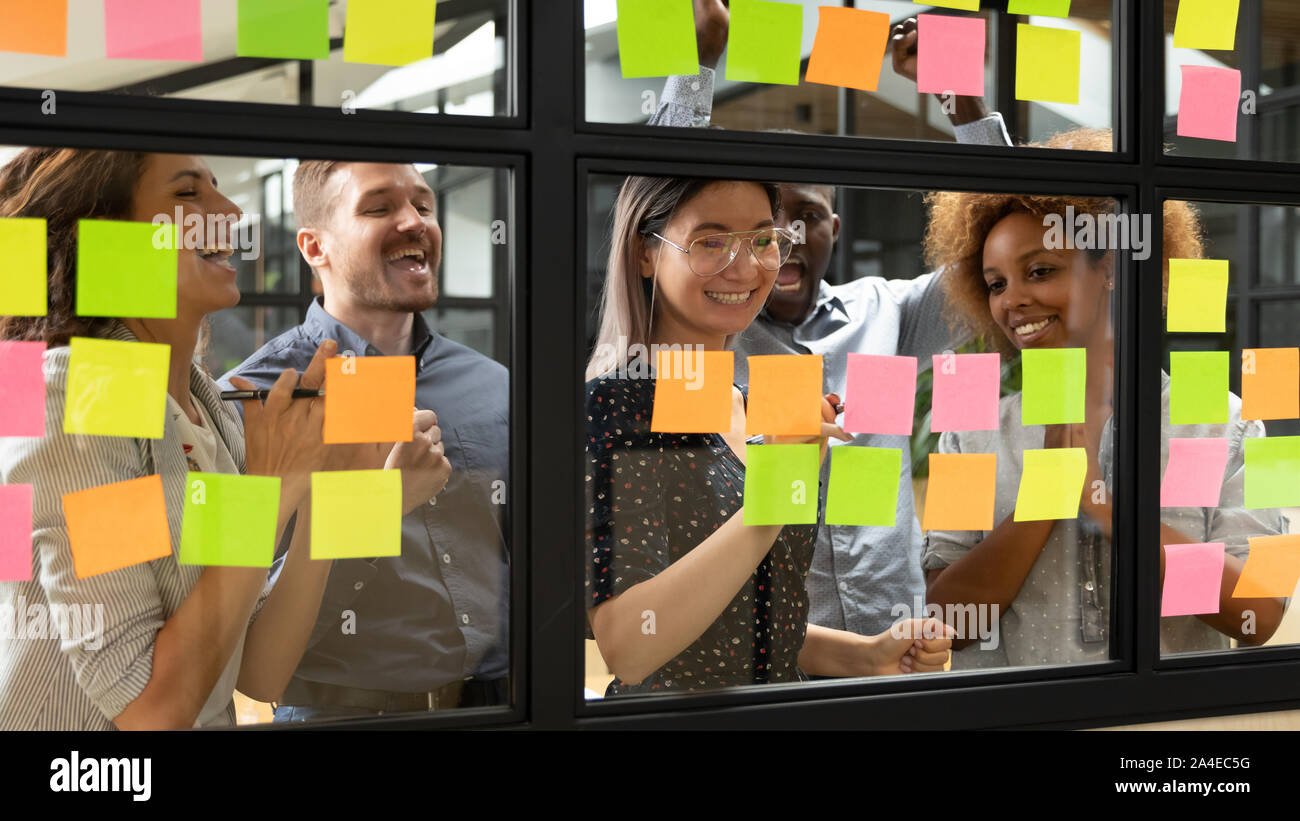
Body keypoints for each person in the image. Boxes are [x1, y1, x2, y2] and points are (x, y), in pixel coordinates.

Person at [647, 7, 1014, 639]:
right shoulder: (702, 332)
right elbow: (650, 203)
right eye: (768, 222)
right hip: (761, 650)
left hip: (891, 645)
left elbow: (1000, 247)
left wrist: (961, 99)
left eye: (808, 215)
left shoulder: (886, 314)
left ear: (834, 230)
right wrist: (696, 63)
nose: (788, 236)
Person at [920, 129, 1288, 667]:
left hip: (1167, 734)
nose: (1013, 301)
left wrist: (1110, 509)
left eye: (1039, 270)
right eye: (995, 284)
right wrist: (1043, 500)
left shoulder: (1227, 422)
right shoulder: (970, 429)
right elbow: (946, 625)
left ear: (1112, 268)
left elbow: (1260, 614)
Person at [0, 149, 337, 730]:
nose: (228, 211)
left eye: (217, 189)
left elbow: (253, 673)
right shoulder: (82, 390)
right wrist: (271, 489)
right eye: (187, 195)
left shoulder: (203, 406)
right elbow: (150, 712)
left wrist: (327, 502)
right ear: (106, 241)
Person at [585, 175, 953, 695]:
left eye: (763, 239)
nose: (744, 267)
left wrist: (867, 656)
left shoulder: (749, 404)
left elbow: (749, 622)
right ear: (645, 254)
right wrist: (776, 494)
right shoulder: (614, 404)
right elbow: (630, 646)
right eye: (710, 242)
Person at [221, 161, 507, 719]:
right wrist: (373, 507)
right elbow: (241, 622)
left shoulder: (493, 385)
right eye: (378, 208)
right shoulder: (255, 401)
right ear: (313, 248)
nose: (413, 221)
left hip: (506, 708)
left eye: (423, 205)